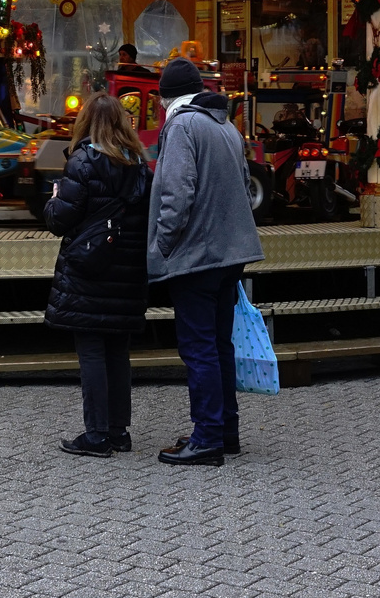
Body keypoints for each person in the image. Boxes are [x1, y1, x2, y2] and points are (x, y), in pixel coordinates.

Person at [148, 58, 263, 467]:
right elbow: (245, 182)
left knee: (198, 349)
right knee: (219, 344)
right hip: (232, 254)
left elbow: (177, 194)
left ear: (166, 97)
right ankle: (224, 430)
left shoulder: (181, 126)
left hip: (197, 256)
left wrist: (162, 244)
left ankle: (207, 437)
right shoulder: (226, 126)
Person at [43, 94, 153, 457]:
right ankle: (119, 431)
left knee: (91, 352)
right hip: (127, 271)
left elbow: (61, 220)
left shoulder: (83, 162)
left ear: (86, 122)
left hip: (90, 270)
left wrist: (54, 199)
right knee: (118, 353)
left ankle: (95, 435)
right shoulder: (139, 165)